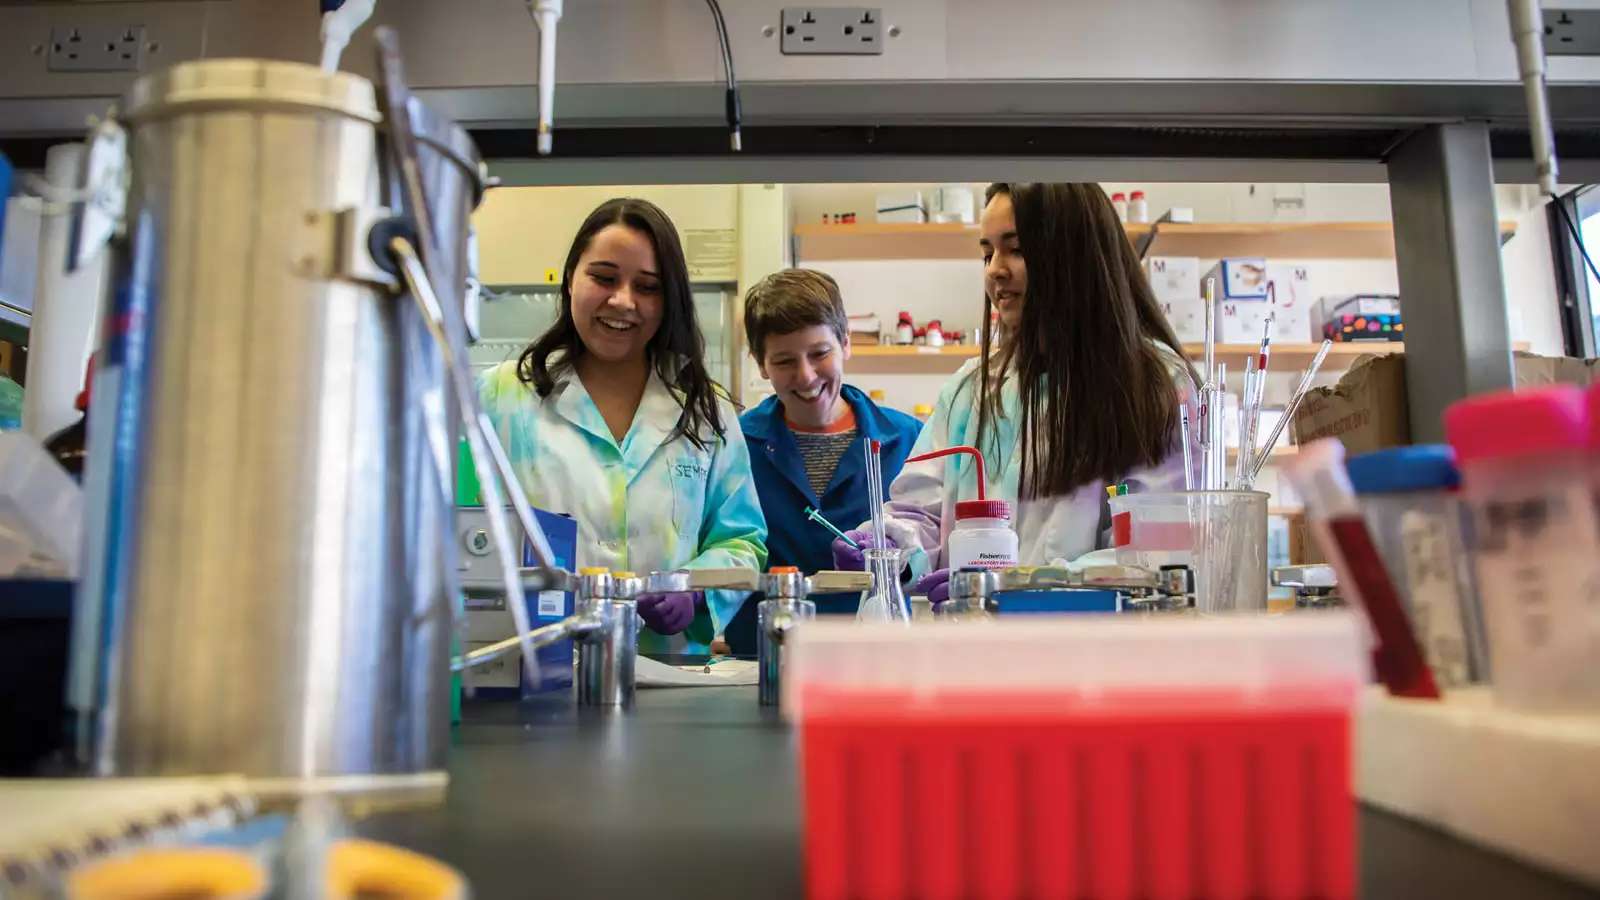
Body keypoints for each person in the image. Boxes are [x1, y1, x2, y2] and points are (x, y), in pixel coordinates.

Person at [833, 182, 1198, 604]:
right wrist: (890, 547)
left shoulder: (1156, 389)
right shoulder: (972, 390)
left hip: (1093, 657)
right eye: (987, 252)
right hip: (976, 653)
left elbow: (1156, 558)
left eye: (1016, 249)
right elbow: (921, 511)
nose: (994, 270)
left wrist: (1022, 586)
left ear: (1076, 256)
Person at [479, 197, 767, 654]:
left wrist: (694, 591)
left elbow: (742, 538)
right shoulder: (499, 396)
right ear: (572, 275)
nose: (623, 301)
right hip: (531, 668)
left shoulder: (704, 409)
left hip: (665, 679)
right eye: (604, 277)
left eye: (648, 287)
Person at [728, 269, 922, 644]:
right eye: (784, 361)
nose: (805, 375)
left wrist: (902, 558)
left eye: (819, 353)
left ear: (846, 342)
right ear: (759, 363)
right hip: (763, 664)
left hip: (876, 661)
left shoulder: (908, 441)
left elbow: (931, 551)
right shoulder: (735, 445)